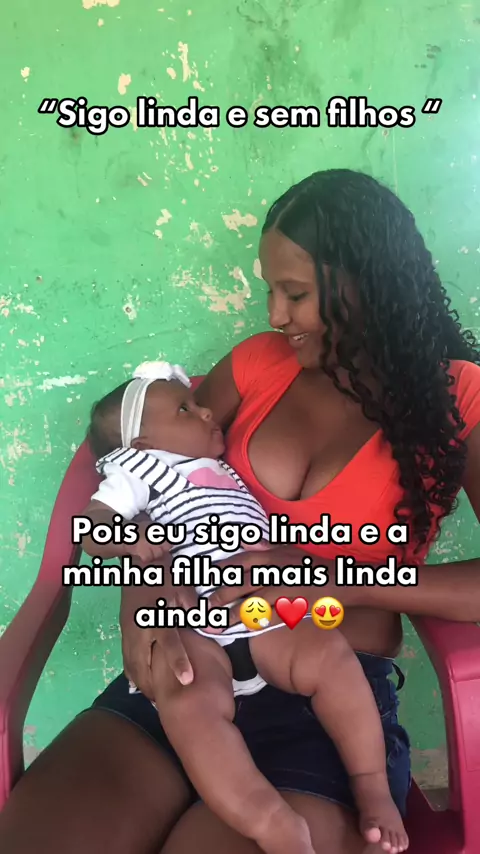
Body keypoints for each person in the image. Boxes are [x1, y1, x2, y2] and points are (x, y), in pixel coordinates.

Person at [1, 168, 480, 854]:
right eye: (270, 291)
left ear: (365, 285)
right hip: (193, 661)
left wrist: (335, 580)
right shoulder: (259, 365)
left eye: (296, 293)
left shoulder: (457, 398)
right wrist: (145, 587)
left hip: (327, 687)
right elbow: (141, 466)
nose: (275, 315)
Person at [78, 360, 408, 853]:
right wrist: (131, 542)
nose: (207, 411)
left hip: (259, 608)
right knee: (188, 704)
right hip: (194, 620)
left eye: (197, 404)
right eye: (186, 409)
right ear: (140, 444)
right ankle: (269, 820)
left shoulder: (222, 468)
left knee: (332, 658)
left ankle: (371, 785)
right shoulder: (134, 469)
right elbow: (93, 526)